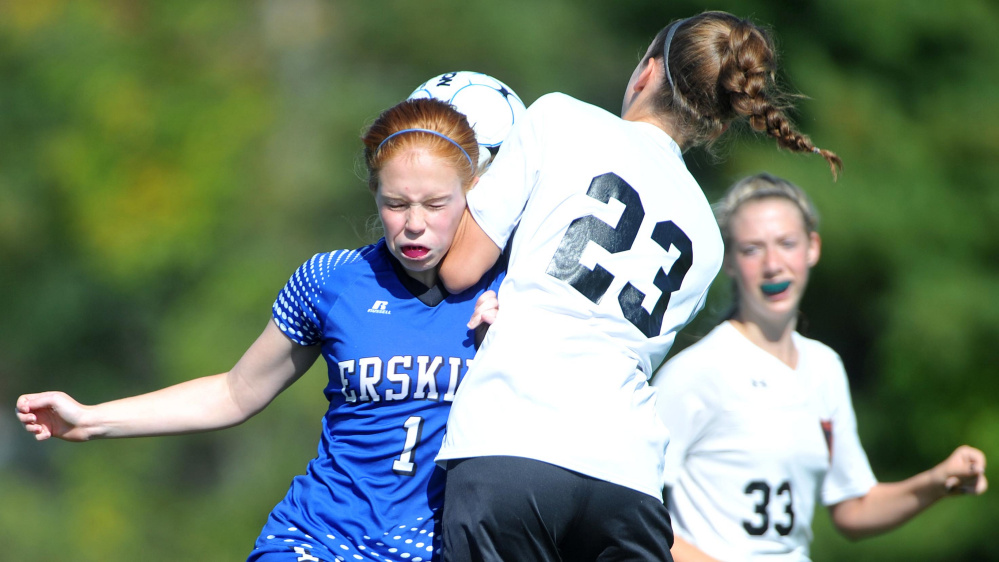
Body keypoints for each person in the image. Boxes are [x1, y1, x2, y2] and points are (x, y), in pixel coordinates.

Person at [15, 96, 505, 562]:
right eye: (396, 203)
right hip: (317, 540)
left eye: (435, 204)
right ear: (374, 194)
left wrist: (513, 342)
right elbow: (236, 391)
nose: (414, 223)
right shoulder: (329, 279)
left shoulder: (515, 292)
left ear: (473, 195)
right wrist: (89, 419)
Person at [433, 11, 841, 562]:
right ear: (718, 125)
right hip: (628, 483)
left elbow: (458, 269)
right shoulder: (707, 232)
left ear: (645, 73)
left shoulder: (559, 117)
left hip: (513, 442)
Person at [653, 172, 988, 562]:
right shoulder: (695, 373)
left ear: (812, 248)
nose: (773, 264)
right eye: (752, 249)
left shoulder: (825, 368)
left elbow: (853, 507)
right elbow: (633, 509)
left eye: (787, 244)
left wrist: (936, 482)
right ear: (728, 260)